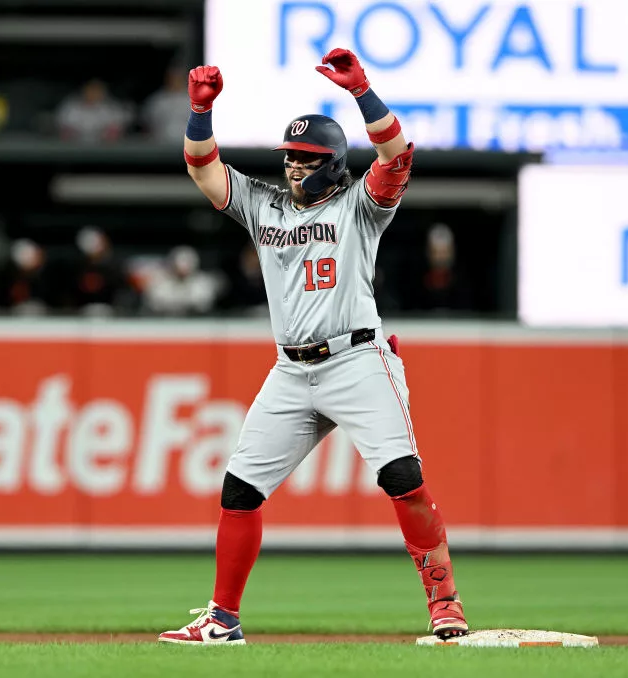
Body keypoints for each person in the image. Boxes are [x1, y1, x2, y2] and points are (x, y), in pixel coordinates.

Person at [158, 49, 469, 645]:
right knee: (239, 491)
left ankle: (445, 604)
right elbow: (203, 168)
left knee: (403, 476)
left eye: (307, 159)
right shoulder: (264, 204)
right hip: (291, 369)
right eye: (290, 158)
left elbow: (397, 155)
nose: (295, 168)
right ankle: (222, 620)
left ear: (334, 164)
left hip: (357, 358)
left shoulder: (360, 206)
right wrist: (200, 112)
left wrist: (364, 94)